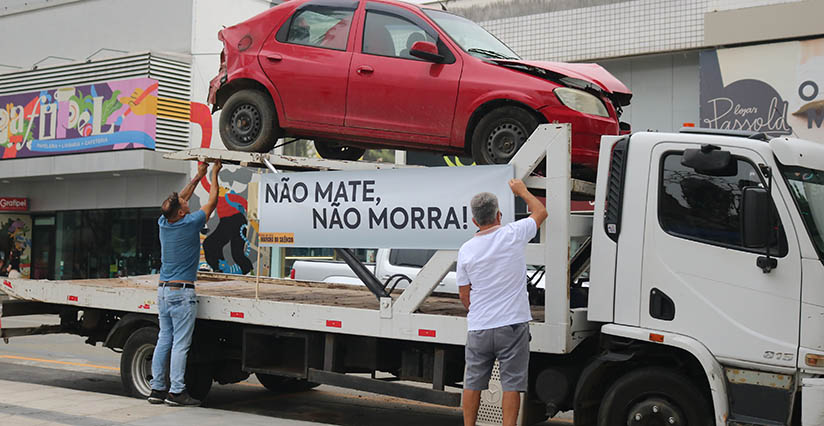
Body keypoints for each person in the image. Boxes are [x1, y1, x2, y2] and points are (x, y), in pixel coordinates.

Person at [457, 178, 548, 426]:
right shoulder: (513, 233)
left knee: (473, 382)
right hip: (512, 325)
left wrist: (477, 311)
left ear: (475, 221)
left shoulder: (466, 249)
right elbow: (541, 212)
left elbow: (464, 293)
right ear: (499, 214)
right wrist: (521, 190)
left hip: (479, 327)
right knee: (512, 384)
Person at [148, 160, 221, 406]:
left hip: (164, 291)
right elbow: (212, 203)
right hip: (181, 294)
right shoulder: (190, 224)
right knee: (180, 345)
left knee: (164, 340)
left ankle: (157, 389)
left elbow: (180, 198)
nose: (187, 200)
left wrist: (197, 176)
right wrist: (214, 174)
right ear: (181, 212)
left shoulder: (163, 223)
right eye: (184, 204)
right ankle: (177, 391)